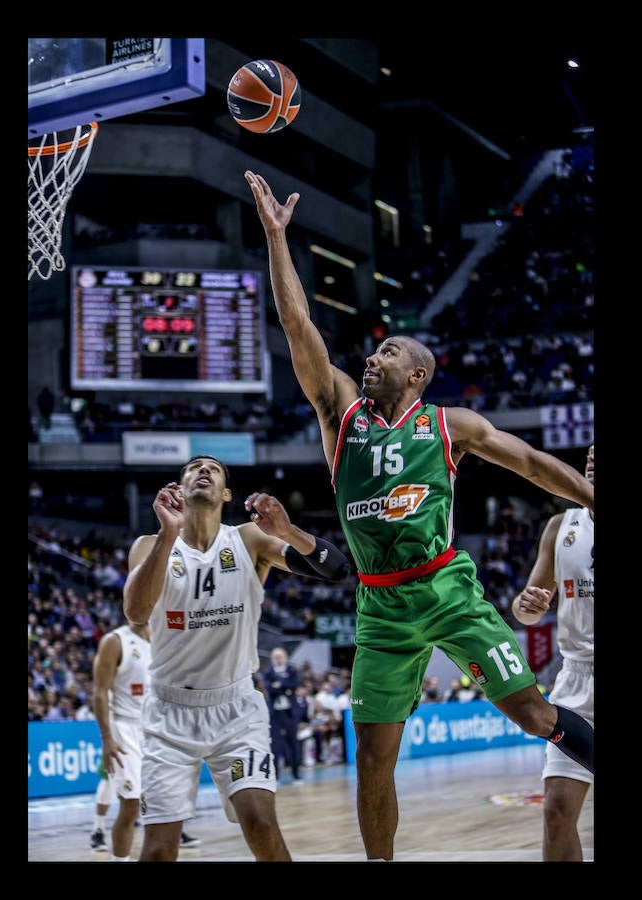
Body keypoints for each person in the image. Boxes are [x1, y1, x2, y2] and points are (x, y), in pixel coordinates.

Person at [245, 170, 595, 862]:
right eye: (373, 350)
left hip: (445, 588)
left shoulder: (448, 425)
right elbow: (297, 324)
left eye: (389, 353)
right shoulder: (341, 416)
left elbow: (528, 462)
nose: (373, 358)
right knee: (373, 755)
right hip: (378, 606)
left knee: (532, 714)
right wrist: (276, 239)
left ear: (418, 375)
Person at [122, 456, 350, 862]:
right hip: (169, 714)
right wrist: (167, 535)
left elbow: (335, 569)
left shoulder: (248, 539)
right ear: (178, 489)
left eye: (213, 468)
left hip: (236, 710)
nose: (203, 471)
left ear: (226, 493)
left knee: (262, 827)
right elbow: (137, 612)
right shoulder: (149, 545)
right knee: (158, 850)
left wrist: (288, 531)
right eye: (193, 468)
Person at [512, 443, 594, 862]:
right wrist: (527, 605)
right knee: (557, 813)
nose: (592, 462)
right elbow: (526, 608)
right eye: (591, 457)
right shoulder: (560, 526)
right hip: (578, 683)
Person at [91, 618, 152, 861]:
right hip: (123, 730)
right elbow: (99, 691)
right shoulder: (114, 641)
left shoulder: (160, 638)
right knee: (131, 804)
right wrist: (107, 738)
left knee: (159, 807)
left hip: (154, 730)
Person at [261, 647, 303, 783]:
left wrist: (278, 685)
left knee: (293, 743)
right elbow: (268, 688)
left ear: (285, 657)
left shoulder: (291, 670)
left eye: (281, 656)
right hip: (275, 714)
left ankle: (296, 774)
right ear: (272, 659)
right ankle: (276, 776)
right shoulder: (268, 672)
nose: (278, 659)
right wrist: (285, 688)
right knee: (275, 746)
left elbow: (295, 684)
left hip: (289, 713)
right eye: (276, 657)